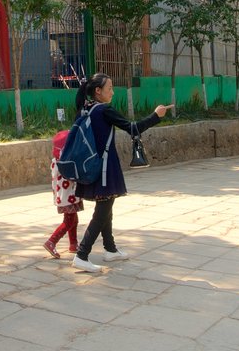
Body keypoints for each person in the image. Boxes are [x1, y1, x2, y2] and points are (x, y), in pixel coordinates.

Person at [71, 73, 171, 273]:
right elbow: (133, 128)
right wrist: (155, 116)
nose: (112, 92)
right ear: (98, 91)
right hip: (105, 168)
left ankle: (110, 249)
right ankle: (82, 255)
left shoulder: (86, 109)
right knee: (102, 211)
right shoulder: (104, 110)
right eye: (109, 88)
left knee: (106, 206)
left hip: (92, 166)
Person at [44, 130, 83, 259]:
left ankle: (73, 244)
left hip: (64, 195)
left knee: (73, 218)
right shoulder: (66, 163)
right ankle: (52, 241)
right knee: (69, 220)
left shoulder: (56, 161)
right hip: (68, 195)